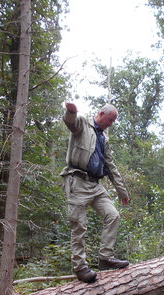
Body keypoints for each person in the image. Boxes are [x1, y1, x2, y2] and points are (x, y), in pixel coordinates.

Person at [60, 101, 130, 283]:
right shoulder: (82, 124)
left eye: (114, 121)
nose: (111, 123)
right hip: (78, 181)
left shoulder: (103, 138)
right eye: (110, 119)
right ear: (100, 114)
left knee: (113, 215)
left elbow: (111, 165)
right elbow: (70, 123)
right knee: (79, 225)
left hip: (96, 186)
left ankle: (105, 258)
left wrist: (121, 191)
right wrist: (70, 112)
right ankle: (80, 267)